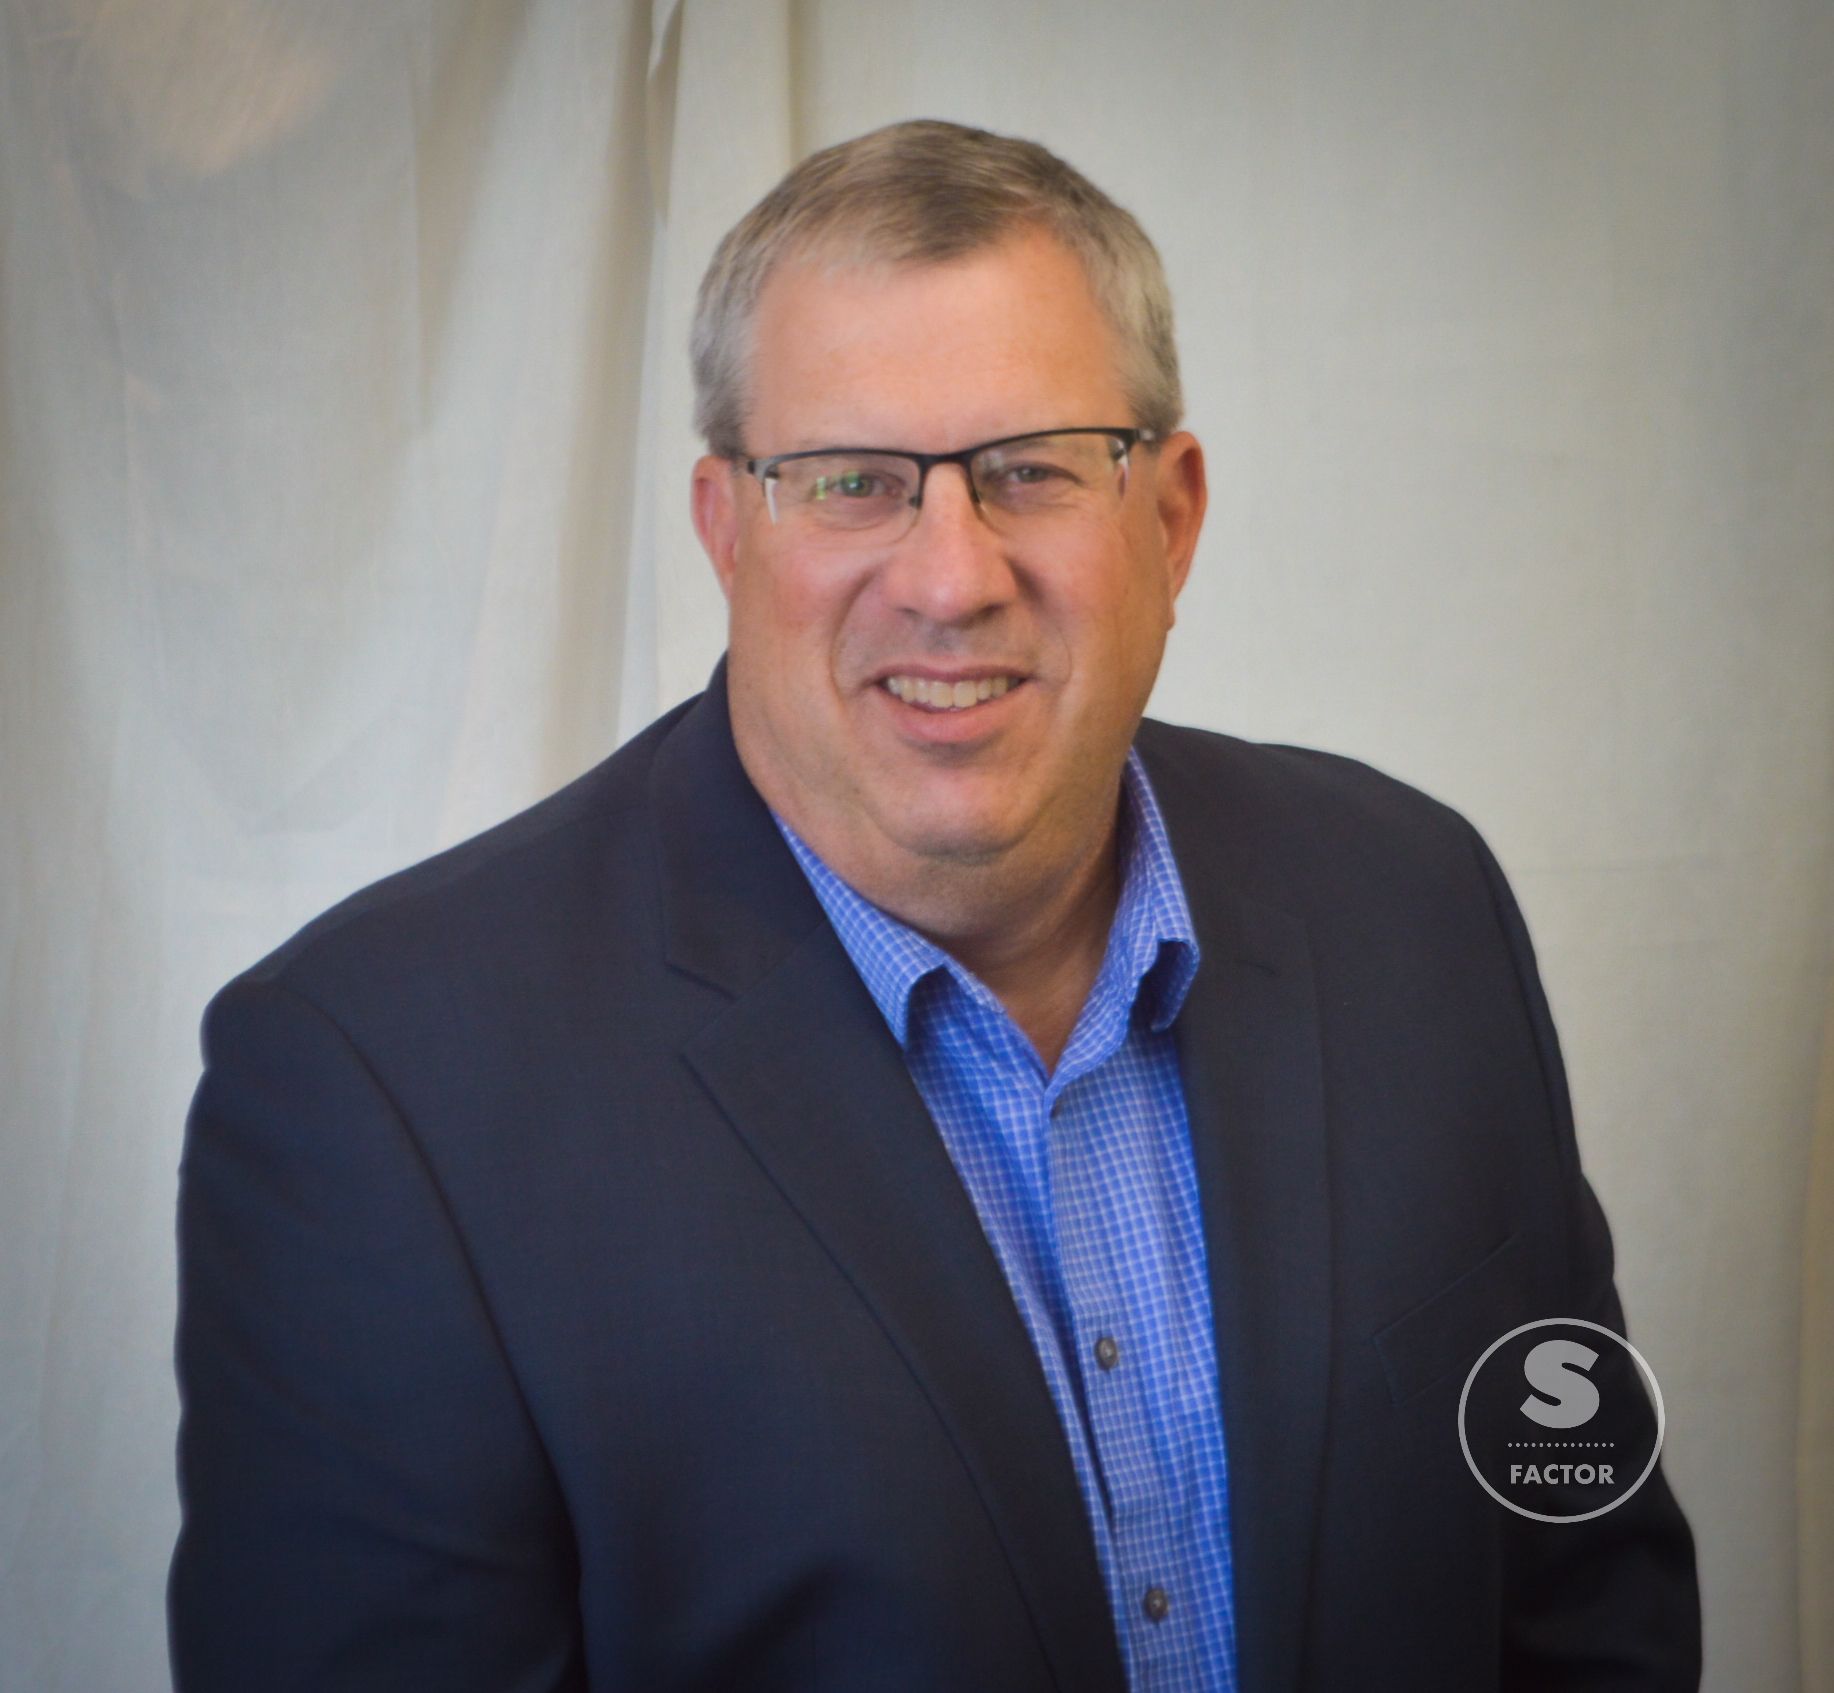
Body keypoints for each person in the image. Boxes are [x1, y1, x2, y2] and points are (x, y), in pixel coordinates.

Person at [168, 119, 1701, 1692]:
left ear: (1167, 521)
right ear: (726, 530)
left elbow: (1583, 1581)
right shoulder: (379, 1087)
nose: (949, 576)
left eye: (1031, 470)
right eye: (851, 482)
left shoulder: (1414, 904)